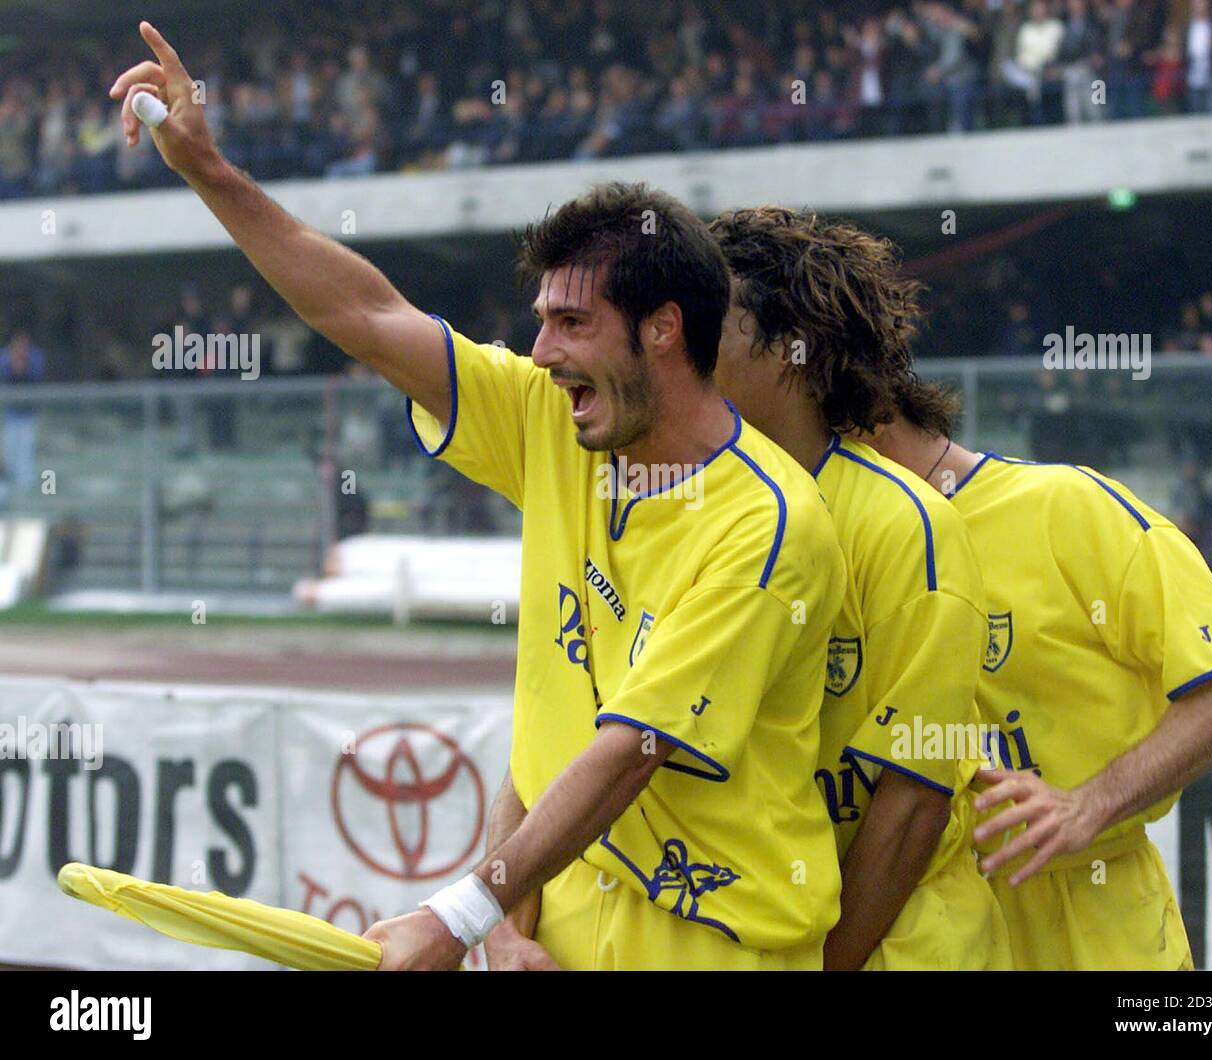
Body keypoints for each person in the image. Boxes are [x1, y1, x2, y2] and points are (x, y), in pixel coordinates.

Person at [111, 22, 846, 971]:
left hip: (716, 950)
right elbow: (367, 316)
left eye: (572, 323)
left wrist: (457, 913)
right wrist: (209, 169)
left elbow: (630, 750)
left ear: (664, 331)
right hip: (561, 927)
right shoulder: (554, 419)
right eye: (541, 321)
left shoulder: (768, 525)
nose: (541, 353)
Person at [804, 218, 1212, 970]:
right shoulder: (831, 544)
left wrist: (1088, 803)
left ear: (843, 399)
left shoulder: (1064, 507)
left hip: (1090, 924)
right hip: (930, 925)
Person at [708, 207, 1011, 970]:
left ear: (789, 351)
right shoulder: (682, 500)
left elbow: (912, 798)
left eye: (712, 317)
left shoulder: (908, 528)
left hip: (891, 947)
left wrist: (826, 963)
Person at [0, 329, 46, 494]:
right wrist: (13, 364)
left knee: (26, 456)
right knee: (10, 455)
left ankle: (25, 491)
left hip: (28, 417)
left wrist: (24, 364)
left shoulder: (35, 358)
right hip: (11, 417)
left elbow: (36, 377)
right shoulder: (5, 358)